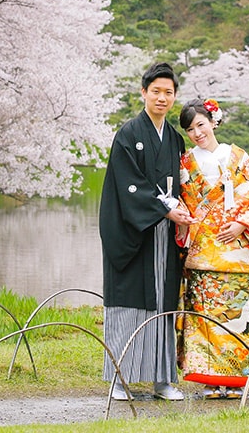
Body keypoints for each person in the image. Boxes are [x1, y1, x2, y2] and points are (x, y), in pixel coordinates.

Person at [175, 98, 249, 399]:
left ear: (213, 121)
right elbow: (182, 202)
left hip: (237, 250)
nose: (197, 133)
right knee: (204, 320)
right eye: (190, 129)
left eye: (201, 124)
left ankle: (237, 380)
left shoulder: (237, 156)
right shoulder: (185, 162)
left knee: (237, 319)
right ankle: (211, 380)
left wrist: (242, 224)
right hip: (201, 253)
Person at [98, 62, 193, 401]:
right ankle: (119, 379)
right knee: (129, 302)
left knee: (163, 302)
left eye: (168, 92)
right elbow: (129, 186)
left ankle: (163, 380)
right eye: (156, 91)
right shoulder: (128, 134)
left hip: (164, 235)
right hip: (133, 233)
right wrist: (163, 208)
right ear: (143, 92)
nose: (162, 98)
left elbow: (183, 184)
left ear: (174, 97)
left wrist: (180, 209)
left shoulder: (174, 140)